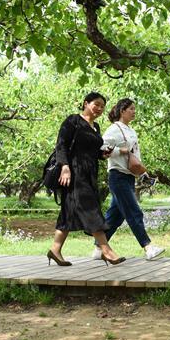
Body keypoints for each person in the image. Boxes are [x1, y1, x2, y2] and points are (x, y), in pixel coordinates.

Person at [46, 92, 125, 267]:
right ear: (86, 103)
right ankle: (106, 250)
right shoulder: (73, 120)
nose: (99, 109)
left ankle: (55, 249)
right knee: (91, 209)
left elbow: (93, 152)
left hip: (89, 174)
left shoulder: (96, 127)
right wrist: (65, 167)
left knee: (68, 212)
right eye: (96, 104)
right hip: (73, 173)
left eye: (102, 107)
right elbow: (61, 145)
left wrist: (103, 154)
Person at [94, 98, 164, 261]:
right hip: (117, 176)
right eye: (131, 108)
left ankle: (98, 248)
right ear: (122, 111)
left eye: (134, 109)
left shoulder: (131, 130)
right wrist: (121, 151)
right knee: (134, 212)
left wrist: (142, 173)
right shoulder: (114, 129)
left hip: (129, 177)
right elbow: (102, 150)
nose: (134, 111)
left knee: (115, 216)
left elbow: (134, 155)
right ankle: (148, 247)